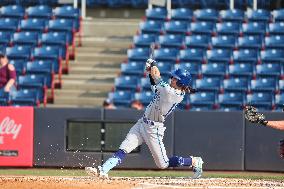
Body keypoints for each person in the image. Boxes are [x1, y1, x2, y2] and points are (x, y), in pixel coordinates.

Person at [85, 59, 204, 179]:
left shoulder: (171, 93)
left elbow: (156, 75)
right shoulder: (169, 90)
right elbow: (155, 86)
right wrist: (150, 72)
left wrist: (153, 64)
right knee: (124, 147)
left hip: (154, 129)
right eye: (173, 77)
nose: (172, 79)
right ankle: (103, 169)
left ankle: (193, 161)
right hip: (142, 123)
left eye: (175, 79)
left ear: (181, 83)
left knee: (163, 164)